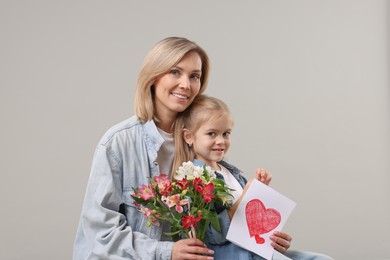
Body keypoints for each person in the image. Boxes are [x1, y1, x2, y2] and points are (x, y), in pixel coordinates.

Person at [73, 37, 215, 260]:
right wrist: (165, 252)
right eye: (175, 72)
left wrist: (264, 236)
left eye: (194, 76)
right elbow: (101, 233)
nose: (186, 85)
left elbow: (217, 220)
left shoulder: (200, 142)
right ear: (154, 76)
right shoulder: (117, 143)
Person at [173, 95, 334, 260]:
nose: (220, 141)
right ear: (189, 137)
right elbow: (213, 235)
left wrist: (272, 236)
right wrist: (246, 197)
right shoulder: (194, 180)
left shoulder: (232, 173)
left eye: (226, 133)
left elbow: (251, 223)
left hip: (255, 250)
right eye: (211, 134)